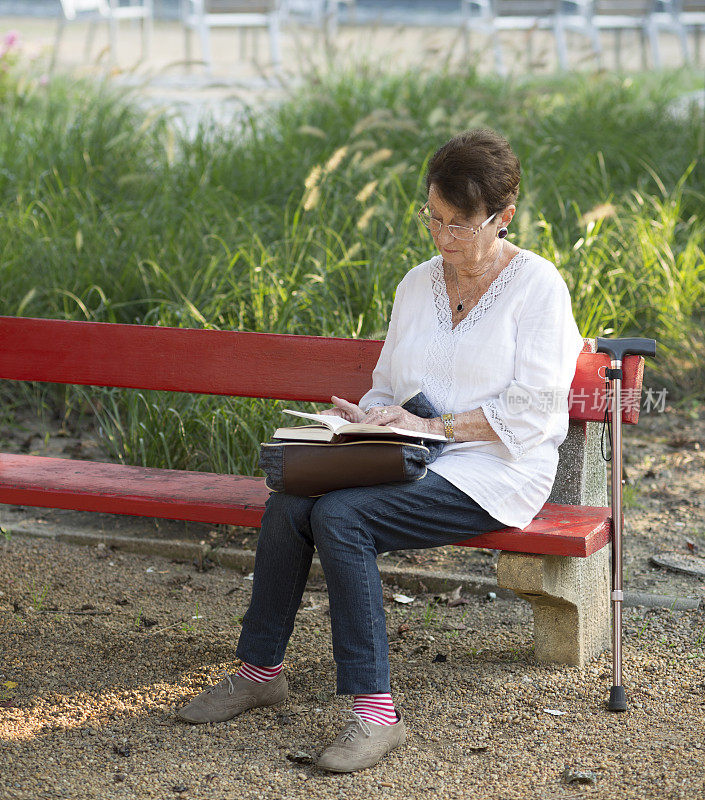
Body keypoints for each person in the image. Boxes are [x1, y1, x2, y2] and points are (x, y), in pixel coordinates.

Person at [176, 128, 585, 773]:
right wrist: (364, 417)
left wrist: (436, 426)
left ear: (502, 218)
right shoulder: (415, 286)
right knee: (292, 500)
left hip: (496, 468)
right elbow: (392, 385)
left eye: (459, 225)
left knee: (343, 517)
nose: (443, 239)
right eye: (434, 219)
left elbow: (534, 412)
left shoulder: (538, 288)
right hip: (409, 451)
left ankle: (374, 714)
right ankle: (260, 672)